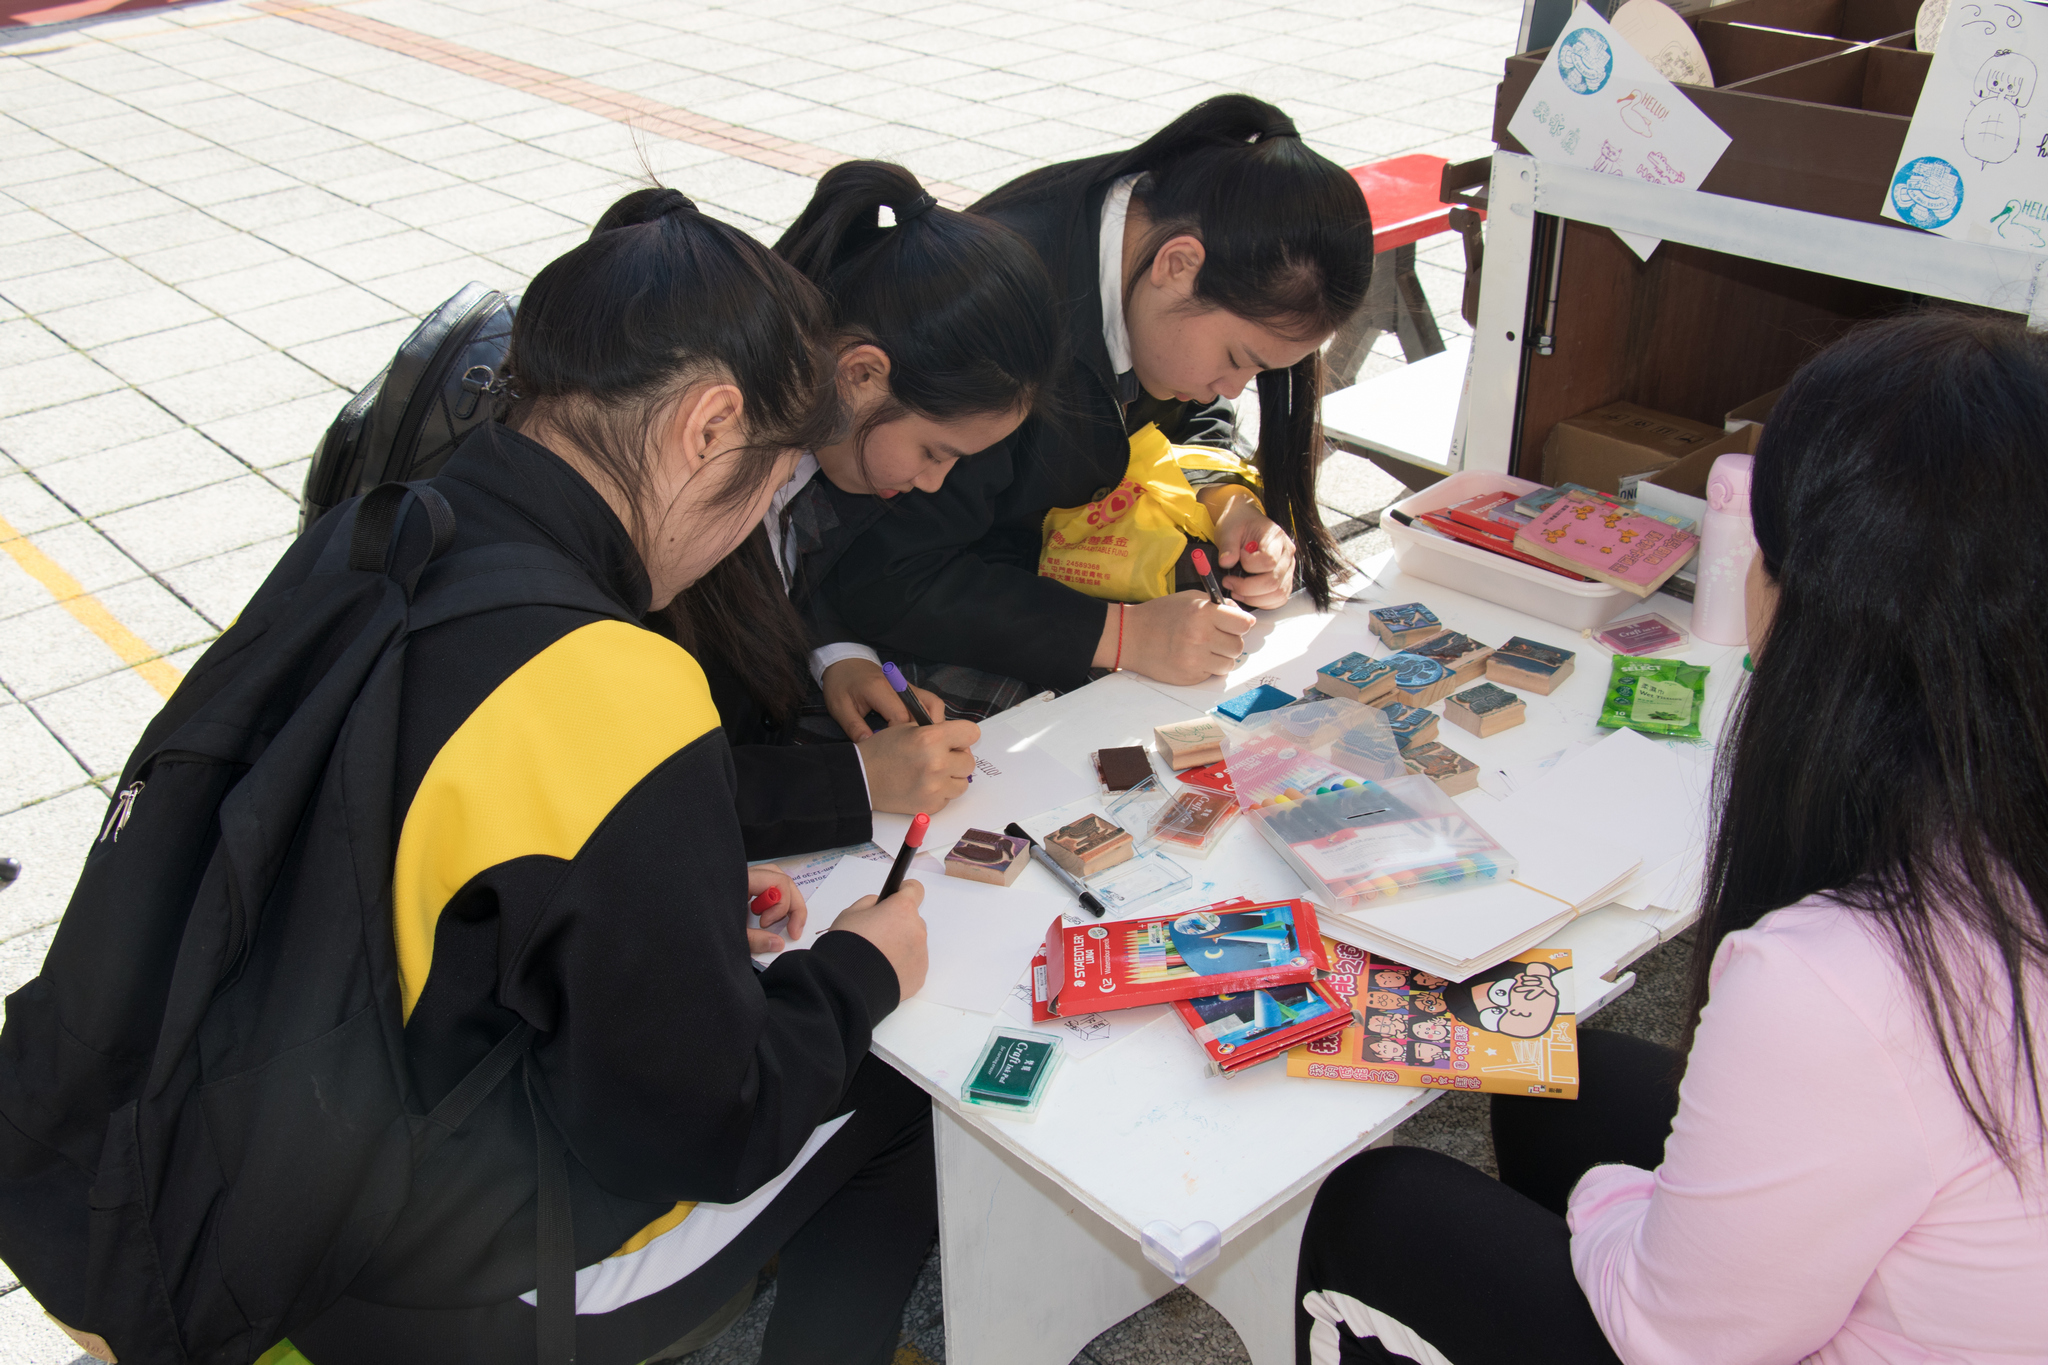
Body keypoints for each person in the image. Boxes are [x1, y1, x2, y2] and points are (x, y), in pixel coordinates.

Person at [1292, 311, 2048, 1364]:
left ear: (1814, 606)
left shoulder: (1834, 981)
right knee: (1561, 1081)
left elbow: (1679, 1335)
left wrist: (1612, 1205)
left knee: (1378, 1207)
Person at [263, 187, 936, 1365]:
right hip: (443, 1283)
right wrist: (853, 975)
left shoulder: (375, 534)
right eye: (768, 485)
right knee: (893, 1091)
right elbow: (709, 1124)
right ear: (709, 427)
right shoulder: (617, 685)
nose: (748, 532)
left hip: (269, 1163)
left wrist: (667, 908)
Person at [815, 95, 1374, 694]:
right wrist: (1123, 635)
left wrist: (1228, 500)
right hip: (905, 635)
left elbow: (1194, 416)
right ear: (1178, 265)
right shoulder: (1011, 320)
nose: (1230, 390)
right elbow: (884, 574)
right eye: (1238, 360)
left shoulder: (1159, 272)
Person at [671, 161, 1062, 856]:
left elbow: (788, 578)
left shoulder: (818, 441)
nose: (933, 482)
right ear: (860, 373)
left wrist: (838, 659)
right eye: (933, 451)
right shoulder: (696, 502)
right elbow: (652, 789)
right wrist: (855, 779)